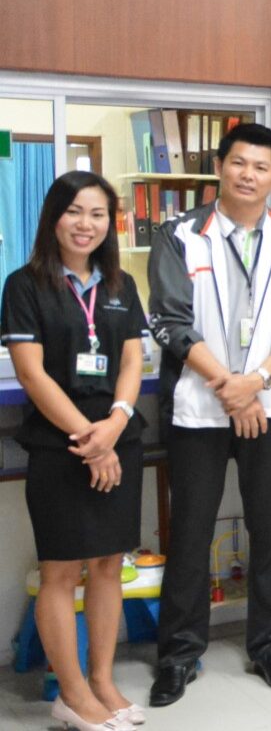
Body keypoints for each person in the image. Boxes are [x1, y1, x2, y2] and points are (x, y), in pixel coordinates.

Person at [147, 123, 271, 704]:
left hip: (268, 405)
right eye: (239, 162)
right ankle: (179, 653)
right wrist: (230, 386)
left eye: (261, 166)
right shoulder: (179, 234)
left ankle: (270, 646)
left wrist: (256, 383)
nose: (248, 174)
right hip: (199, 406)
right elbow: (170, 319)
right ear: (220, 166)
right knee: (190, 531)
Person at [2, 172, 147, 731]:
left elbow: (131, 360)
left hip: (118, 437)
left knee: (109, 564)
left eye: (98, 214)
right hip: (60, 443)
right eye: (75, 212)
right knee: (60, 571)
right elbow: (32, 375)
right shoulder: (24, 285)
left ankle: (103, 681)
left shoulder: (120, 285)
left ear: (111, 223)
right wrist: (91, 440)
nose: (86, 224)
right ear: (53, 217)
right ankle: (72, 693)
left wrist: (116, 422)